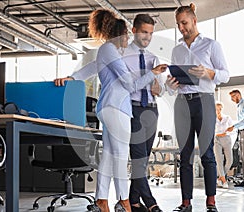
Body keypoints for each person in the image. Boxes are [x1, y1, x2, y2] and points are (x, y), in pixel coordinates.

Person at [54, 9, 167, 212]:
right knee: (121, 156)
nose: (128, 40)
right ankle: (124, 201)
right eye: (126, 36)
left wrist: (72, 78)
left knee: (108, 155)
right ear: (121, 34)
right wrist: (153, 73)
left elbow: (91, 68)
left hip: (110, 107)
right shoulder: (110, 50)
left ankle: (101, 199)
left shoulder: (109, 51)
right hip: (117, 108)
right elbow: (130, 85)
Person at [166, 3, 229, 212]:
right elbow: (174, 80)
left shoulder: (211, 45)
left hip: (205, 101)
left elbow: (225, 74)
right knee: (184, 154)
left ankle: (211, 203)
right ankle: (186, 203)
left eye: (184, 23)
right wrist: (170, 85)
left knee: (207, 153)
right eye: (178, 25)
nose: (181, 28)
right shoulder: (176, 50)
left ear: (194, 20)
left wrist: (209, 73)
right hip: (182, 103)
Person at [121, 14, 164, 212]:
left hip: (152, 110)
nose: (147, 37)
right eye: (144, 32)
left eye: (151, 34)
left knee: (143, 160)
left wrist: (158, 86)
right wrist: (151, 74)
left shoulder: (153, 58)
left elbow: (160, 90)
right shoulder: (122, 55)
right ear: (134, 31)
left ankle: (134, 200)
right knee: (138, 159)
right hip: (134, 109)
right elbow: (127, 87)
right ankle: (151, 203)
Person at [214, 102, 233, 189]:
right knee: (219, 160)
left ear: (222, 109)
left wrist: (226, 132)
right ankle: (224, 181)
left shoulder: (227, 118)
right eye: (216, 109)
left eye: (220, 109)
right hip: (216, 140)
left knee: (230, 160)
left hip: (226, 139)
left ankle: (220, 178)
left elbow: (232, 128)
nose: (218, 111)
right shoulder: (212, 119)